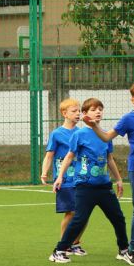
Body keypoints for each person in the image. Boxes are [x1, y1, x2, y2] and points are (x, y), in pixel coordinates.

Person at [50, 98, 133, 264]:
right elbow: (69, 156)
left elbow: (109, 159)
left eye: (100, 109)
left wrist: (118, 179)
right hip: (84, 186)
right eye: (93, 110)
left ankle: (124, 250)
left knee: (118, 217)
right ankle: (59, 251)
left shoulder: (106, 136)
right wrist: (59, 177)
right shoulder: (79, 134)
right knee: (79, 219)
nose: (98, 112)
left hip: (104, 187)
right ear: (85, 114)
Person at [88, 81, 134, 265]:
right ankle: (133, 250)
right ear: (132, 100)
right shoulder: (128, 119)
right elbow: (106, 137)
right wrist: (94, 126)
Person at [40, 98, 86, 255]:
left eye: (79, 111)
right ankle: (64, 244)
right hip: (65, 180)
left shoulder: (81, 133)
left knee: (83, 213)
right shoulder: (57, 134)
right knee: (71, 212)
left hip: (81, 179)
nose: (78, 113)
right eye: (74, 111)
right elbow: (49, 155)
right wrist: (44, 172)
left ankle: (75, 243)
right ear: (64, 113)